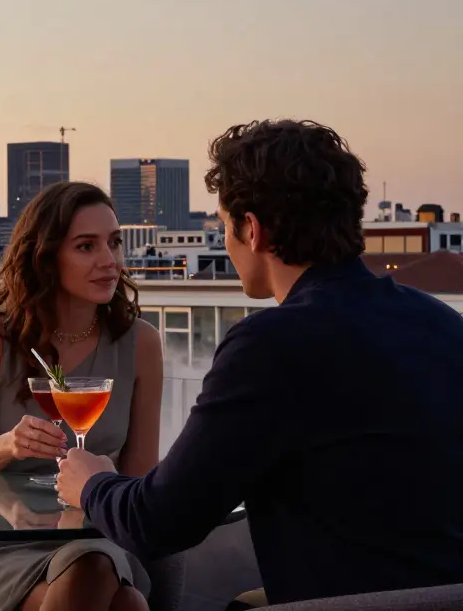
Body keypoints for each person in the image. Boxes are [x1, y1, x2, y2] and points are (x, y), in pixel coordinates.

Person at [56, 119, 463, 607]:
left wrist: (91, 482)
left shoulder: (271, 345)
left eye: (224, 223)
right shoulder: (442, 324)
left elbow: (158, 522)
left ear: (251, 229)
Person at [0, 181, 164, 611]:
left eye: (114, 243)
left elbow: (138, 479)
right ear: (46, 256)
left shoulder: (141, 344)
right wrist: (9, 445)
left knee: (94, 563)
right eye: (86, 246)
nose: (108, 261)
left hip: (99, 537)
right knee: (127, 605)